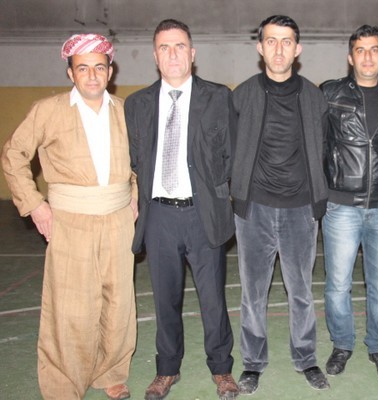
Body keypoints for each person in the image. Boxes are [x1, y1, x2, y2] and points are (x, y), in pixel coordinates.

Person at [1, 34, 136, 400]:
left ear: (110, 71)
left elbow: (138, 162)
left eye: (99, 67)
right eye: (83, 68)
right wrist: (35, 204)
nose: (92, 76)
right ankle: (64, 384)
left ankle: (111, 372)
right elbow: (13, 154)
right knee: (70, 306)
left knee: (118, 303)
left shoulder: (126, 110)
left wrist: (135, 198)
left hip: (118, 220)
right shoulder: (49, 110)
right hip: (70, 221)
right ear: (70, 73)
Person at [124, 19, 239, 400]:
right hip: (159, 216)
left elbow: (231, 154)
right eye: (164, 47)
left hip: (203, 213)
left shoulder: (218, 97)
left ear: (192, 53)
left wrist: (217, 193)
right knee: (165, 299)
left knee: (213, 299)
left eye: (179, 47)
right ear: (155, 56)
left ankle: (221, 368)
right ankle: (167, 369)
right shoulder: (137, 104)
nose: (172, 54)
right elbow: (135, 158)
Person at [231, 15, 330, 394]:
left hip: (300, 211)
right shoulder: (242, 95)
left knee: (301, 291)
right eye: (271, 41)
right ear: (260, 48)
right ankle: (253, 363)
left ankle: (306, 358)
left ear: (297, 49)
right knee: (253, 293)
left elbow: (323, 150)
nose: (278, 48)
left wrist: (317, 197)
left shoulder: (314, 97)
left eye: (286, 41)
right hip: (254, 209)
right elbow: (230, 150)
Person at [320, 25, 378, 381]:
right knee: (337, 285)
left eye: (374, 49)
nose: (367, 56)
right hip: (341, 205)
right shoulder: (330, 93)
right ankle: (342, 344)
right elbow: (318, 143)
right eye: (360, 50)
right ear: (350, 57)